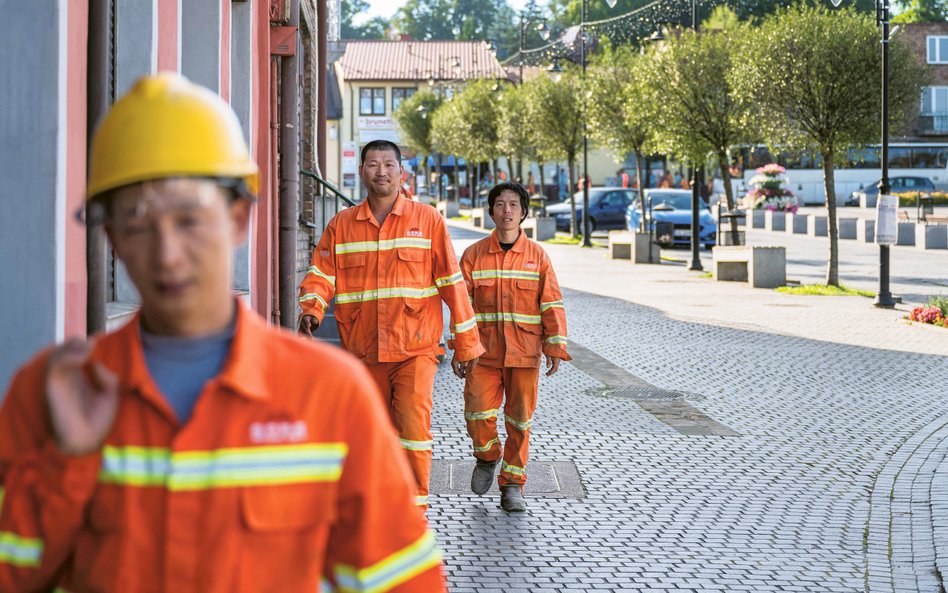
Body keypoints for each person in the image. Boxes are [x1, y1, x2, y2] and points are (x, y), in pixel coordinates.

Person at [0, 74, 445, 593]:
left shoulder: (330, 395)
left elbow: (402, 583)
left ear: (238, 218)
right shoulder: (50, 396)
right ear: (110, 235)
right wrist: (66, 466)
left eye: (190, 219)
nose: (167, 253)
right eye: (138, 222)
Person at [298, 139, 484, 511]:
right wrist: (312, 308)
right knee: (372, 434)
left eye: (388, 164)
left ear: (402, 173)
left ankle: (413, 515)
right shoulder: (342, 225)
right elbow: (322, 272)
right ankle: (381, 510)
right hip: (363, 349)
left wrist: (467, 343)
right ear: (362, 171)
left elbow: (451, 282)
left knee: (413, 430)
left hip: (415, 349)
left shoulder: (427, 220)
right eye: (372, 164)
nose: (380, 171)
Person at [453, 183, 571, 512]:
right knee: (477, 415)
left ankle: (513, 485)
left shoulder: (538, 256)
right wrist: (460, 347)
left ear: (523, 212)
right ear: (491, 211)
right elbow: (462, 307)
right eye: (500, 204)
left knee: (519, 421)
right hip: (483, 355)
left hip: (525, 353)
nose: (507, 210)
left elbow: (552, 303)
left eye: (514, 205)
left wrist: (555, 345)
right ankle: (488, 456)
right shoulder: (474, 255)